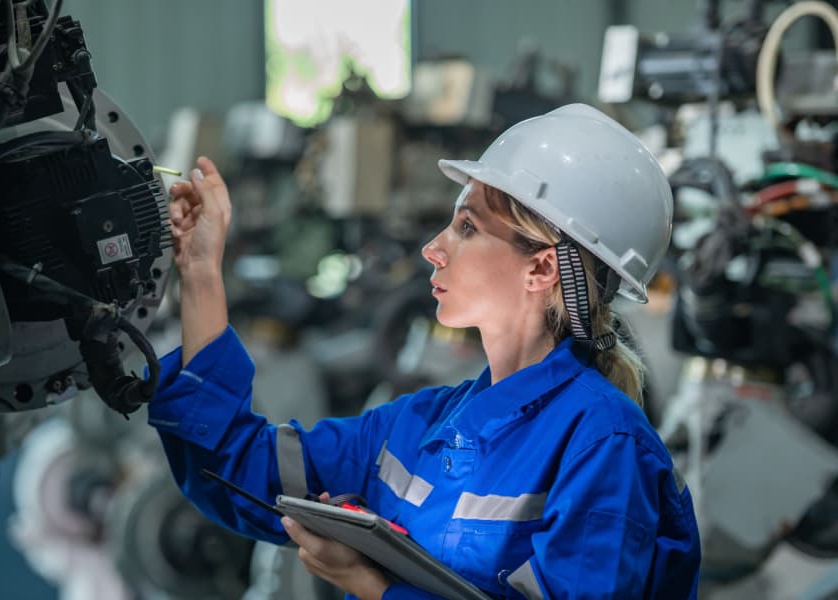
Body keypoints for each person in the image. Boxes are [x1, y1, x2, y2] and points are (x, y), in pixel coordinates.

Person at [148, 103, 701, 599]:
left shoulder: (604, 446)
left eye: (467, 226)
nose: (432, 248)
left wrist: (371, 585)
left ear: (541, 268)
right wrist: (199, 274)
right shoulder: (419, 427)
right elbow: (239, 471)